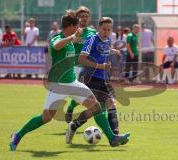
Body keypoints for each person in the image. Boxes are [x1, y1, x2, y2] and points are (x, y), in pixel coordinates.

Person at [9, 10, 130, 151]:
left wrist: (108, 50)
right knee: (46, 118)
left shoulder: (74, 40)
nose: (79, 28)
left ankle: (112, 138)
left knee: (95, 106)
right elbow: (56, 46)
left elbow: (87, 51)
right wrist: (72, 37)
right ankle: (17, 135)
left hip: (72, 82)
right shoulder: (57, 38)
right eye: (77, 26)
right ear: (71, 27)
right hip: (58, 85)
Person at [65, 17, 126, 144]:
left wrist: (112, 51)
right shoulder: (91, 39)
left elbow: (102, 50)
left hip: (101, 78)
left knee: (107, 106)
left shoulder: (108, 40)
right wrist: (100, 66)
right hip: (89, 77)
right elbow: (81, 59)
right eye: (104, 29)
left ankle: (74, 125)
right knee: (99, 107)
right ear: (99, 28)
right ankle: (114, 137)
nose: (106, 31)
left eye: (109, 29)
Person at [65, 6, 97, 123]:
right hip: (74, 67)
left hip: (87, 67)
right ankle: (71, 108)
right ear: (77, 18)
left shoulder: (93, 32)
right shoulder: (73, 31)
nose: (84, 18)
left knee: (85, 92)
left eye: (86, 16)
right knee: (77, 92)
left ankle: (71, 109)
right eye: (82, 16)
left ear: (89, 18)